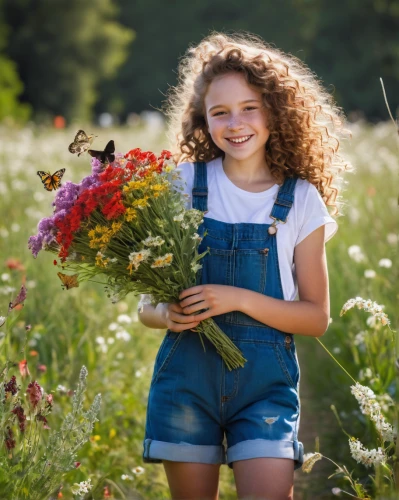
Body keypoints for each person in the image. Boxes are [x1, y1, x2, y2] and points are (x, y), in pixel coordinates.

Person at [138, 31, 352, 500]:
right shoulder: (183, 184)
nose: (235, 123)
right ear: (203, 120)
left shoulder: (300, 200)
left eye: (249, 107)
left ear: (276, 111)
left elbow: (316, 317)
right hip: (185, 383)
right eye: (220, 112)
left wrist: (235, 298)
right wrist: (166, 314)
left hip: (264, 390)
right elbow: (146, 306)